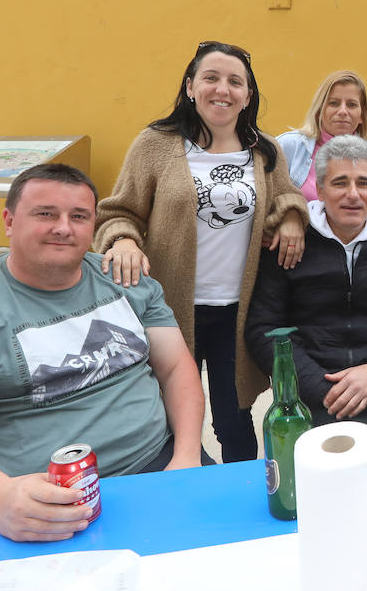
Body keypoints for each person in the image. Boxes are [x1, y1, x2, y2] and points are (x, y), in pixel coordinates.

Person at [0, 164, 208, 542]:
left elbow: (176, 369)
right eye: (46, 214)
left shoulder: (128, 281)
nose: (64, 227)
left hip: (162, 465)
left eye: (79, 216)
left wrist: (187, 457)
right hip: (35, 497)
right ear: (9, 221)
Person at [94, 41, 308, 463]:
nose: (222, 90)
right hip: (170, 309)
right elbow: (118, 211)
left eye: (235, 82)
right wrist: (122, 240)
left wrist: (291, 217)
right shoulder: (156, 144)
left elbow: (288, 195)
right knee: (170, 412)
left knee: (234, 416)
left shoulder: (265, 150)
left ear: (248, 95)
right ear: (191, 87)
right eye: (211, 78)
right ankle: (175, 491)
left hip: (237, 311)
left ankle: (242, 492)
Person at [245, 135, 367, 425]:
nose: (353, 194)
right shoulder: (292, 243)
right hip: (312, 385)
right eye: (340, 183)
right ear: (320, 190)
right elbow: (264, 328)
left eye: (363, 183)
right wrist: (321, 388)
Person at [276, 70, 367, 227]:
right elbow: (269, 200)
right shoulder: (289, 146)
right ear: (319, 110)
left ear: (362, 115)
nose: (343, 111)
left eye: (351, 105)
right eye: (334, 103)